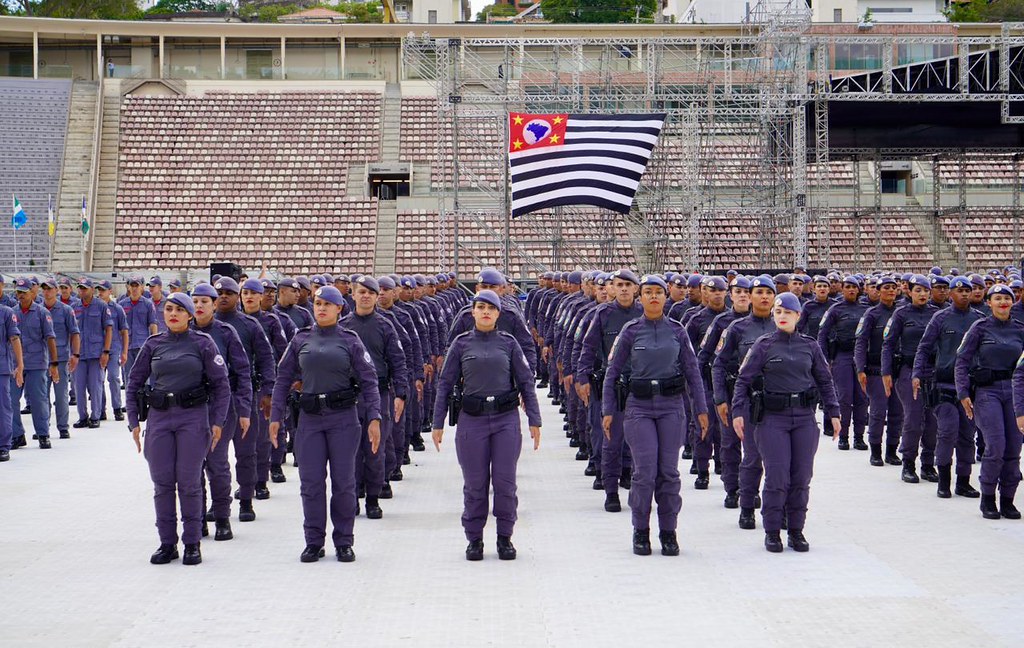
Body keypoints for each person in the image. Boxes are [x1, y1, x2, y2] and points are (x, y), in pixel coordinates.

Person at [269, 286, 382, 563]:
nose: (321, 308)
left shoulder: (350, 340)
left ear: (339, 308)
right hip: (309, 420)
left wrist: (375, 418)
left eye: (327, 304)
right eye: (318, 303)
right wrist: (275, 416)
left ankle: (343, 541)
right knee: (311, 483)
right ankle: (313, 541)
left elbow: (369, 381)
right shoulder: (301, 339)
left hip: (343, 419)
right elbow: (283, 378)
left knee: (344, 483)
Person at [601, 275, 707, 556]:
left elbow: (693, 372)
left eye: (658, 292)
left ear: (665, 296)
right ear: (640, 295)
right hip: (639, 407)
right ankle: (641, 530)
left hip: (672, 406)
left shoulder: (677, 330)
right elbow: (613, 372)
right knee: (644, 472)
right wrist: (608, 410)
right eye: (648, 292)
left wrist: (701, 408)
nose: (653, 297)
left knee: (669, 473)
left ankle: (668, 531)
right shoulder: (631, 331)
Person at [432, 290, 540, 561]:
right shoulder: (460, 344)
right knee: (475, 484)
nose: (485, 312)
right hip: (472, 420)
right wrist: (437, 423)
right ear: (473, 312)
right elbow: (445, 384)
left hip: (505, 420)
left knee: (505, 482)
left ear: (498, 314)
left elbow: (526, 382)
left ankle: (505, 537)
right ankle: (475, 539)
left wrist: (534, 420)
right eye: (480, 307)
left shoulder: (509, 343)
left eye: (490, 308)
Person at [126, 292, 231, 565]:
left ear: (189, 315)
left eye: (179, 309)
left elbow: (221, 385)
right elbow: (134, 383)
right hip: (160, 418)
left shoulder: (203, 343)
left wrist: (217, 421)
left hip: (192, 418)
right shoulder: (153, 345)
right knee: (162, 483)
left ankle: (192, 542)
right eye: (169, 309)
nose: (172, 314)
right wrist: (134, 422)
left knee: (188, 482)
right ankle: (167, 543)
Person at [732, 292, 840, 552]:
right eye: (778, 312)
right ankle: (772, 531)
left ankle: (796, 530)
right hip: (772, 419)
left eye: (788, 313)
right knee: (777, 476)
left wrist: (834, 412)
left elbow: (825, 380)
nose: (782, 316)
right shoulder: (763, 345)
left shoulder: (810, 346)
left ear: (798, 316)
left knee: (801, 476)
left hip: (804, 418)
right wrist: (737, 411)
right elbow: (743, 380)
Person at [340, 276, 408, 519]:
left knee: (375, 448)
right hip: (350, 395)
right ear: (353, 295)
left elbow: (398, 361)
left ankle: (373, 496)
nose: (366, 296)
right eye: (362, 291)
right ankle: (355, 492)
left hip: (379, 394)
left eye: (371, 292)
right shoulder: (343, 326)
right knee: (351, 449)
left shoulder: (385, 325)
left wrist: (401, 393)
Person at [575, 269, 642, 512]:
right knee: (609, 437)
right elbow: (588, 346)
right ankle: (609, 485)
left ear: (636, 288)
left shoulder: (644, 312)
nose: (623, 289)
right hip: (610, 384)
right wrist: (581, 375)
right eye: (618, 284)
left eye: (628, 284)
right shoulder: (603, 313)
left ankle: (629, 475)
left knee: (637, 439)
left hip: (638, 385)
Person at [712, 275, 777, 526]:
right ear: (749, 297)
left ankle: (768, 501)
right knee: (740, 449)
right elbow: (716, 364)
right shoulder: (735, 329)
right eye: (757, 292)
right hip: (742, 397)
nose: (763, 297)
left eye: (768, 292)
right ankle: (737, 493)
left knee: (771, 457)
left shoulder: (781, 325)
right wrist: (720, 398)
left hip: (774, 401)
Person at [912, 276, 983, 499]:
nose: (964, 294)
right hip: (944, 384)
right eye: (959, 290)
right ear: (951, 294)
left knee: (966, 435)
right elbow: (924, 348)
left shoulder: (979, 320)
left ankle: (963, 481)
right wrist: (917, 374)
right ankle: (944, 481)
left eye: (967, 290)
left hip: (970, 386)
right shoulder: (940, 318)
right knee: (947, 432)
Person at [957, 284, 1024, 520]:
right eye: (998, 298)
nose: (1003, 302)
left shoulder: (1020, 329)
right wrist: (963, 393)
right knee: (995, 446)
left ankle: (1007, 500)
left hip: (1015, 393)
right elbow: (962, 361)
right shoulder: (979, 328)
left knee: (1014, 448)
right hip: (988, 393)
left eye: (1007, 298)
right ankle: (988, 499)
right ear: (989, 302)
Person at [191, 283, 251, 542]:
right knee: (192, 467)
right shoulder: (182, 332)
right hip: (190, 408)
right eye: (195, 301)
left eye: (205, 301)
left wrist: (245, 408)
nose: (199, 306)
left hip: (220, 406)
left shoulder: (226, 333)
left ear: (214, 305)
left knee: (216, 463)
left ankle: (223, 517)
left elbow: (242, 372)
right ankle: (198, 517)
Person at [882, 274, 939, 483]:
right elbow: (888, 344)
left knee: (933, 421)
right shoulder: (901, 314)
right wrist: (886, 372)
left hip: (932, 371)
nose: (922, 294)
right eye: (918, 290)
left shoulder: (937, 314)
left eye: (925, 290)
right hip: (907, 371)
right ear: (909, 292)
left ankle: (928, 464)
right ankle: (908, 463)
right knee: (914, 419)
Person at [855, 276, 903, 464]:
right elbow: (861, 342)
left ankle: (892, 450)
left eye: (893, 287)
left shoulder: (902, 313)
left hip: (898, 369)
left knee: (897, 413)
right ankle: (876, 450)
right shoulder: (871, 314)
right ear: (878, 290)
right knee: (877, 412)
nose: (891, 290)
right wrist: (860, 368)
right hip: (876, 369)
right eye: (886, 287)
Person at [818, 276, 869, 451]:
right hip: (843, 356)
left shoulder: (866, 309)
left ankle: (859, 437)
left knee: (862, 398)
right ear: (842, 289)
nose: (851, 290)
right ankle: (844, 436)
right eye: (848, 286)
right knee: (845, 397)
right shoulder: (835, 309)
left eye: (855, 287)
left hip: (862, 357)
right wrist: (824, 359)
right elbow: (822, 334)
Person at [9, 278, 59, 450]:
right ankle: (17, 435)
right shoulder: (12, 313)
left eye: (23, 292)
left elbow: (50, 338)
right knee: (11, 400)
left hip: (37, 363)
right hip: (16, 365)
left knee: (39, 401)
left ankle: (43, 434)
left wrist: (54, 363)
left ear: (32, 292)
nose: (20, 295)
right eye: (18, 292)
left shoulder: (42, 313)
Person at [41, 278, 81, 438]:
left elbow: (75, 333)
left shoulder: (66, 310)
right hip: (41, 359)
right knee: (42, 395)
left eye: (50, 289)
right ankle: (43, 427)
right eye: (44, 289)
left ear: (56, 291)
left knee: (61, 394)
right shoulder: (37, 309)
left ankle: (63, 427)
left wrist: (75, 354)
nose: (47, 292)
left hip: (61, 358)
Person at [73, 278, 113, 428]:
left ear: (92, 289)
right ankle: (82, 416)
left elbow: (109, 329)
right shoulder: (74, 307)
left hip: (96, 353)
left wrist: (106, 351)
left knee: (95, 385)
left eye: (85, 288)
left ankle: (95, 416)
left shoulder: (101, 306)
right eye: (80, 288)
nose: (82, 291)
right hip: (79, 353)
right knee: (79, 386)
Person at [97, 281, 129, 422]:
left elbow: (124, 331)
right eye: (99, 290)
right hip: (98, 348)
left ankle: (117, 408)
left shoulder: (117, 308)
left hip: (114, 348)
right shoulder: (95, 308)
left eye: (103, 290)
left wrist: (124, 352)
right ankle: (100, 409)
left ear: (110, 291)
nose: (100, 293)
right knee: (98, 380)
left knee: (114, 378)